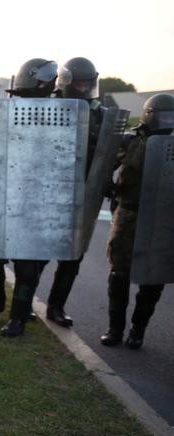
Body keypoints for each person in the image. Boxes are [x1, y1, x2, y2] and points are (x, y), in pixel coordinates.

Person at [99, 94, 174, 349]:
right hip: (129, 212)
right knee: (119, 273)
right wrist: (106, 183)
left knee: (154, 277)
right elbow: (103, 164)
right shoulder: (130, 140)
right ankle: (115, 328)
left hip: (163, 215)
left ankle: (138, 330)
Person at [0, 58, 58, 337]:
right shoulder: (3, 111)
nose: (50, 86)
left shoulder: (59, 112)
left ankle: (18, 316)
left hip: (39, 200)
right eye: (44, 81)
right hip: (4, 197)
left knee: (29, 266)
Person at [43, 56, 104, 328]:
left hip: (83, 194)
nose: (83, 89)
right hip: (49, 191)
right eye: (78, 84)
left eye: (87, 84)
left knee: (73, 257)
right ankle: (22, 308)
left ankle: (56, 306)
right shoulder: (48, 106)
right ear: (67, 83)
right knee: (36, 254)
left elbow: (107, 151)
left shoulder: (99, 112)